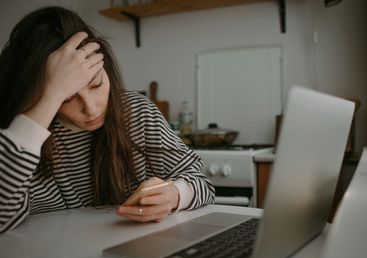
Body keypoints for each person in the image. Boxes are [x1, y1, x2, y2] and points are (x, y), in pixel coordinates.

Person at [0, 6, 215, 233]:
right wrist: (48, 99)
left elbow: (203, 184)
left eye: (96, 84)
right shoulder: (18, 135)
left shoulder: (138, 112)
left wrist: (175, 194)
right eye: (68, 97)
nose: (91, 109)